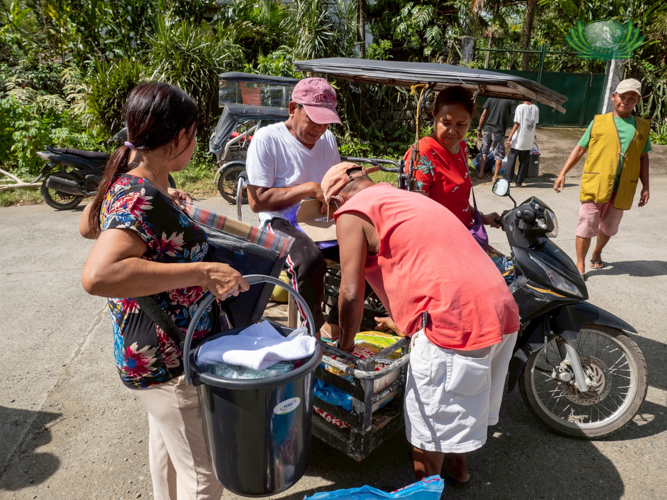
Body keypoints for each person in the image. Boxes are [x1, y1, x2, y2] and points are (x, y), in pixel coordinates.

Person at [81, 82, 250, 500]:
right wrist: (203, 271)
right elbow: (98, 275)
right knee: (204, 477)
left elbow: (89, 224)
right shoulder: (141, 197)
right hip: (168, 359)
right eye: (195, 134)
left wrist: (163, 200)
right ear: (178, 138)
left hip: (151, 355)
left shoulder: (132, 183)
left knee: (169, 459)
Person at [320, 163, 520, 483]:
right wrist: (402, 319)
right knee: (458, 402)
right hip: (501, 311)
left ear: (333, 203)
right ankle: (459, 469)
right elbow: (428, 263)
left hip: (455, 321)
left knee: (428, 426)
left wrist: (344, 349)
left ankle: (426, 487)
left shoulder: (351, 212)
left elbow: (350, 293)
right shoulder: (404, 199)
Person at [245, 77, 342, 338]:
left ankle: (337, 319)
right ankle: (311, 329)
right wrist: (309, 188)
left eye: (326, 121)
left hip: (318, 219)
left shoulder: (328, 139)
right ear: (292, 109)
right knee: (308, 258)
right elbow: (257, 201)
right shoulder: (267, 139)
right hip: (278, 222)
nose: (320, 128)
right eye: (313, 119)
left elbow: (333, 181)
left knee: (369, 248)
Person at [403, 87, 515, 284]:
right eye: (445, 123)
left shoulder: (461, 147)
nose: (452, 131)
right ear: (434, 116)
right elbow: (417, 215)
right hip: (441, 247)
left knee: (516, 274)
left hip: (465, 236)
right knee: (507, 278)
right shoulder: (423, 154)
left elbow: (455, 201)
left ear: (470, 123)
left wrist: (481, 217)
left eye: (461, 124)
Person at [553, 78, 651, 275]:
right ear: (614, 97)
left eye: (631, 98)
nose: (626, 101)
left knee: (609, 227)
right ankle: (580, 264)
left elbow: (643, 156)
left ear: (637, 101)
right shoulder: (598, 122)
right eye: (622, 97)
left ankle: (597, 252)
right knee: (587, 224)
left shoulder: (642, 126)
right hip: (596, 183)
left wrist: (646, 186)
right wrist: (563, 172)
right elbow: (580, 148)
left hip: (623, 187)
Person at [501, 98, 539, 187]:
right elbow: (534, 123)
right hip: (528, 141)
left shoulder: (520, 107)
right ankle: (519, 182)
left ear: (522, 99)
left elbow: (517, 123)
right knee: (524, 163)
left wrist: (509, 137)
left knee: (511, 161)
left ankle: (507, 180)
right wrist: (533, 134)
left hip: (518, 141)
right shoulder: (536, 109)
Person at [476, 97, 516, 179]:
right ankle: (495, 176)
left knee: (484, 152)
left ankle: (481, 172)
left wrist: (479, 129)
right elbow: (516, 118)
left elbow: (483, 115)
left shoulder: (491, 98)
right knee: (498, 154)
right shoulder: (511, 100)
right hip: (498, 131)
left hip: (487, 129)